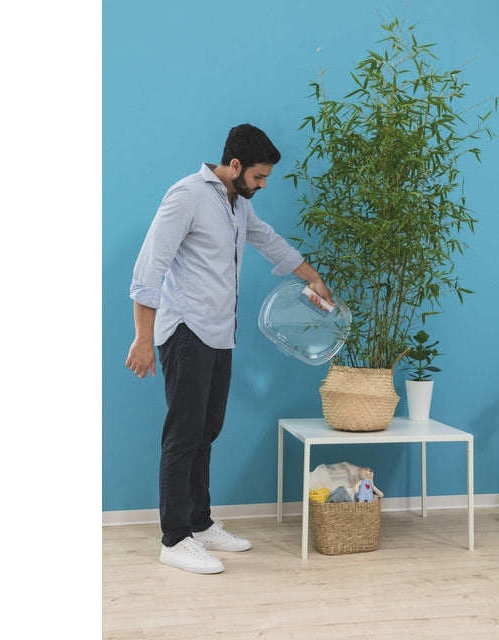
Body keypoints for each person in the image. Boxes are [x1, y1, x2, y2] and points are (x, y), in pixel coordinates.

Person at [125, 124, 333, 574]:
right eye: (259, 176)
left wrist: (312, 278)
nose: (263, 185)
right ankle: (174, 538)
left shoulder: (238, 204)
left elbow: (269, 241)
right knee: (183, 435)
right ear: (234, 165)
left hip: (221, 333)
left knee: (207, 431)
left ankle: (199, 524)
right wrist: (143, 337)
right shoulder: (187, 196)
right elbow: (149, 267)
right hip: (187, 332)